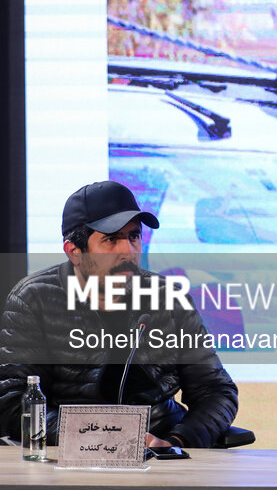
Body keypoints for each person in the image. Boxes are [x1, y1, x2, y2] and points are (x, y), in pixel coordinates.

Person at [0, 181, 238, 447]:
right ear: (74, 251)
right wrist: (103, 441)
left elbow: (216, 391)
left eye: (133, 236)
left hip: (158, 445)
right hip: (71, 451)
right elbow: (13, 402)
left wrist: (177, 441)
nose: (128, 251)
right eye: (111, 239)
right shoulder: (33, 299)